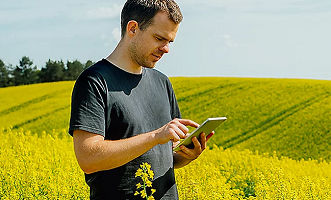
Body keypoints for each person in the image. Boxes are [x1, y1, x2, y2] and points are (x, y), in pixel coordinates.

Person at [69, 0, 214, 199]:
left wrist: (186, 155)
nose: (166, 49)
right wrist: (155, 136)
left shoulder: (162, 82)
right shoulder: (94, 81)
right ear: (133, 28)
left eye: (169, 42)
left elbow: (165, 157)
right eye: (159, 38)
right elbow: (88, 158)